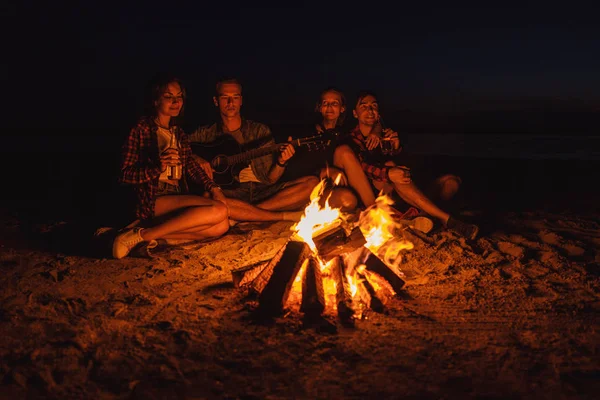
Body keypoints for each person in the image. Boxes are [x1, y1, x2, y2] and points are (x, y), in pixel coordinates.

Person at [113, 75, 303, 259]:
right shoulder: (141, 130)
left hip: (177, 193)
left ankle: (146, 234)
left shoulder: (177, 132)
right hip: (153, 196)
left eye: (179, 97)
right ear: (155, 101)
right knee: (220, 211)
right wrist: (158, 166)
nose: (175, 101)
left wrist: (214, 188)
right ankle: (142, 236)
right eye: (168, 97)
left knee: (220, 227)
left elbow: (192, 168)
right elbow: (124, 176)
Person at [348, 90, 479, 240]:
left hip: (405, 191)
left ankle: (424, 217)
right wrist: (389, 171)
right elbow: (362, 169)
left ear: (378, 112)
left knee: (452, 181)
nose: (370, 110)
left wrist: (397, 148)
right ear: (355, 113)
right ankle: (446, 219)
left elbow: (405, 165)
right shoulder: (352, 139)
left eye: (374, 106)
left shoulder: (386, 134)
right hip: (382, 197)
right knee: (392, 166)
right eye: (364, 107)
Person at [188, 78, 318, 214]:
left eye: (235, 97)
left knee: (312, 183)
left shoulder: (260, 131)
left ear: (241, 101)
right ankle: (253, 213)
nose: (230, 103)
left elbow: (271, 179)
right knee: (206, 198)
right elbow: (180, 145)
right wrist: (197, 158)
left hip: (262, 192)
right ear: (216, 101)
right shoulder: (205, 133)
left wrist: (281, 161)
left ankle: (251, 212)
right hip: (230, 194)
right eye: (225, 97)